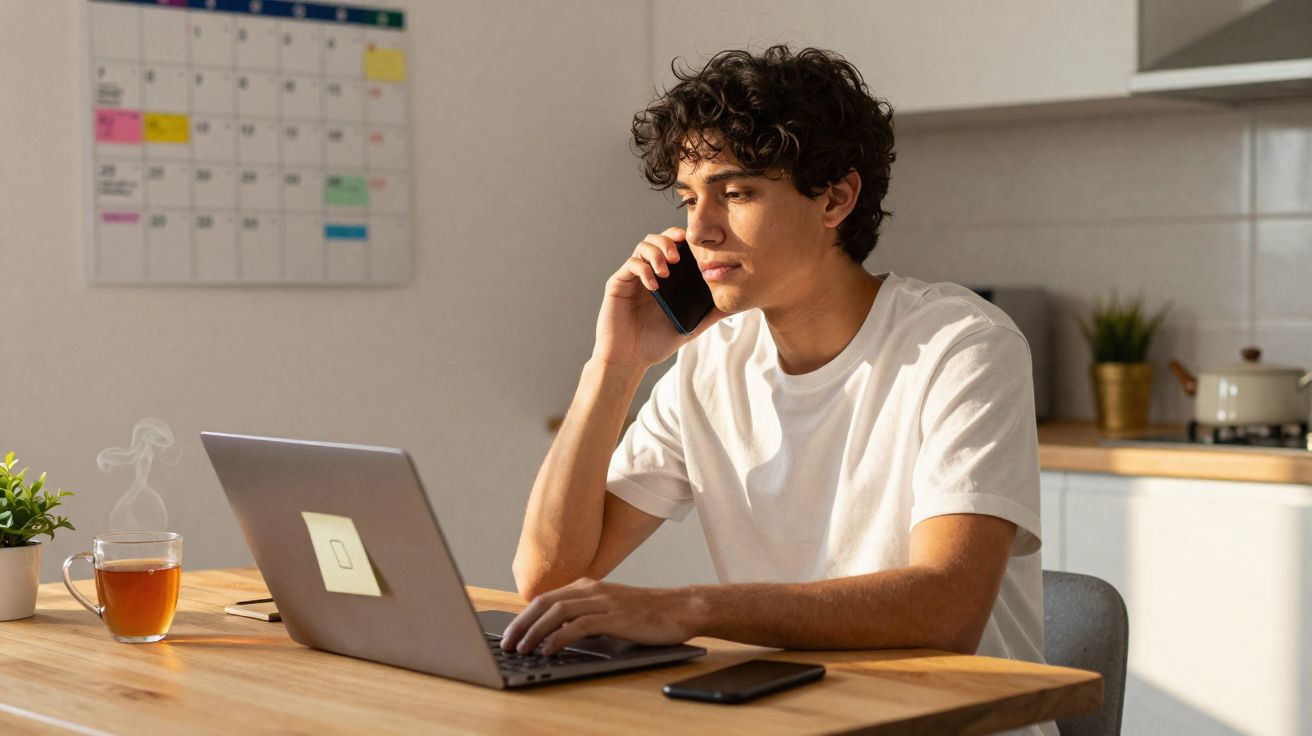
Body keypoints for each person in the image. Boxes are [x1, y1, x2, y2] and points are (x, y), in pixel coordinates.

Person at [503, 44, 1050, 736]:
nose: (698, 231)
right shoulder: (711, 361)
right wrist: (614, 366)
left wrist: (691, 609)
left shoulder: (961, 346)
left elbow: (947, 609)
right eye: (688, 199)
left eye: (736, 193)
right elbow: (549, 580)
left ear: (835, 198)